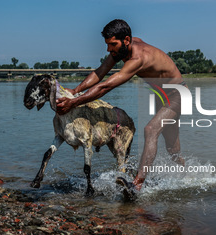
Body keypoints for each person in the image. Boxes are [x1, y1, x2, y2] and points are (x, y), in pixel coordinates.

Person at [56, 19, 186, 200]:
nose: (109, 50)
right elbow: (101, 72)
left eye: (112, 44)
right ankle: (187, 177)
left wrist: (74, 103)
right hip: (161, 95)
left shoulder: (138, 58)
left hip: (177, 95)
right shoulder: (124, 47)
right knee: (172, 148)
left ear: (126, 39)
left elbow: (105, 87)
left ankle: (137, 183)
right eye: (107, 45)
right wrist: (75, 91)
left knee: (150, 130)